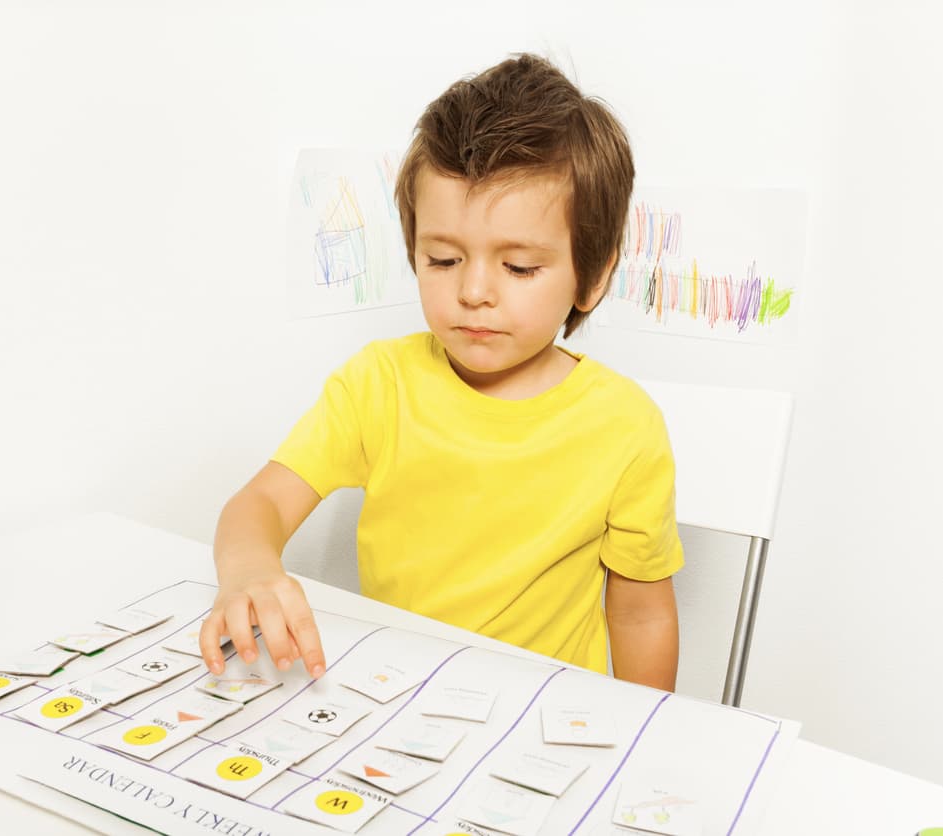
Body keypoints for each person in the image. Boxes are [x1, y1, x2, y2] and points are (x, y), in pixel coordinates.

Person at [200, 53, 683, 691]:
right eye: (444, 258)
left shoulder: (624, 426)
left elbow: (641, 614)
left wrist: (644, 735)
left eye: (519, 268)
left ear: (591, 277)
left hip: (540, 720)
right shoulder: (378, 384)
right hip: (393, 698)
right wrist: (248, 571)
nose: (474, 291)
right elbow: (257, 503)